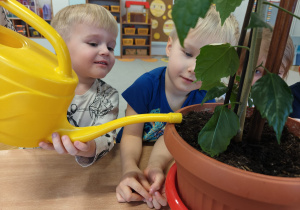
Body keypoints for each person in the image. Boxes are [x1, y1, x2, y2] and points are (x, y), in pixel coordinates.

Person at [116, 6, 240, 209]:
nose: (194, 68)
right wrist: (129, 169)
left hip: (169, 155)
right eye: (188, 53)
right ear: (169, 46)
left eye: (207, 62)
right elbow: (131, 135)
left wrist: (156, 165)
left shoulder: (203, 99)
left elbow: (174, 138)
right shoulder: (145, 86)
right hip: (127, 153)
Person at [39, 4, 119, 167]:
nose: (105, 51)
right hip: (35, 161)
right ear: (60, 46)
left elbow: (106, 138)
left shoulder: (108, 96)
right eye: (93, 43)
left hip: (80, 169)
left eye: (111, 47)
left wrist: (90, 148)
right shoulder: (40, 83)